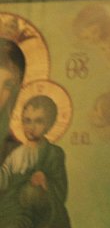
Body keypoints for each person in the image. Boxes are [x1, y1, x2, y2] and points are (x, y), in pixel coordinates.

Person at [0, 94, 70, 228]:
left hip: (44, 212)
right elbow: (4, 177)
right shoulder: (16, 154)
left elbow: (61, 190)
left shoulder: (54, 153)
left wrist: (45, 180)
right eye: (27, 120)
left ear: (49, 124)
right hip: (14, 210)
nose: (31, 127)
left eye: (38, 121)